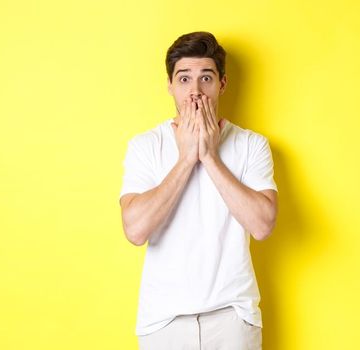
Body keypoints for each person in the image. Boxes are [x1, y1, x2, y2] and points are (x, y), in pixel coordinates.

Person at [118, 31, 278, 349]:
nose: (195, 91)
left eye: (206, 77)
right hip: (163, 320)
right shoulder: (145, 146)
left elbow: (263, 225)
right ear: (170, 85)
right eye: (184, 79)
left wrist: (209, 156)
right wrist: (187, 158)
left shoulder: (251, 145)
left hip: (233, 317)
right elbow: (135, 230)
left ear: (222, 83)